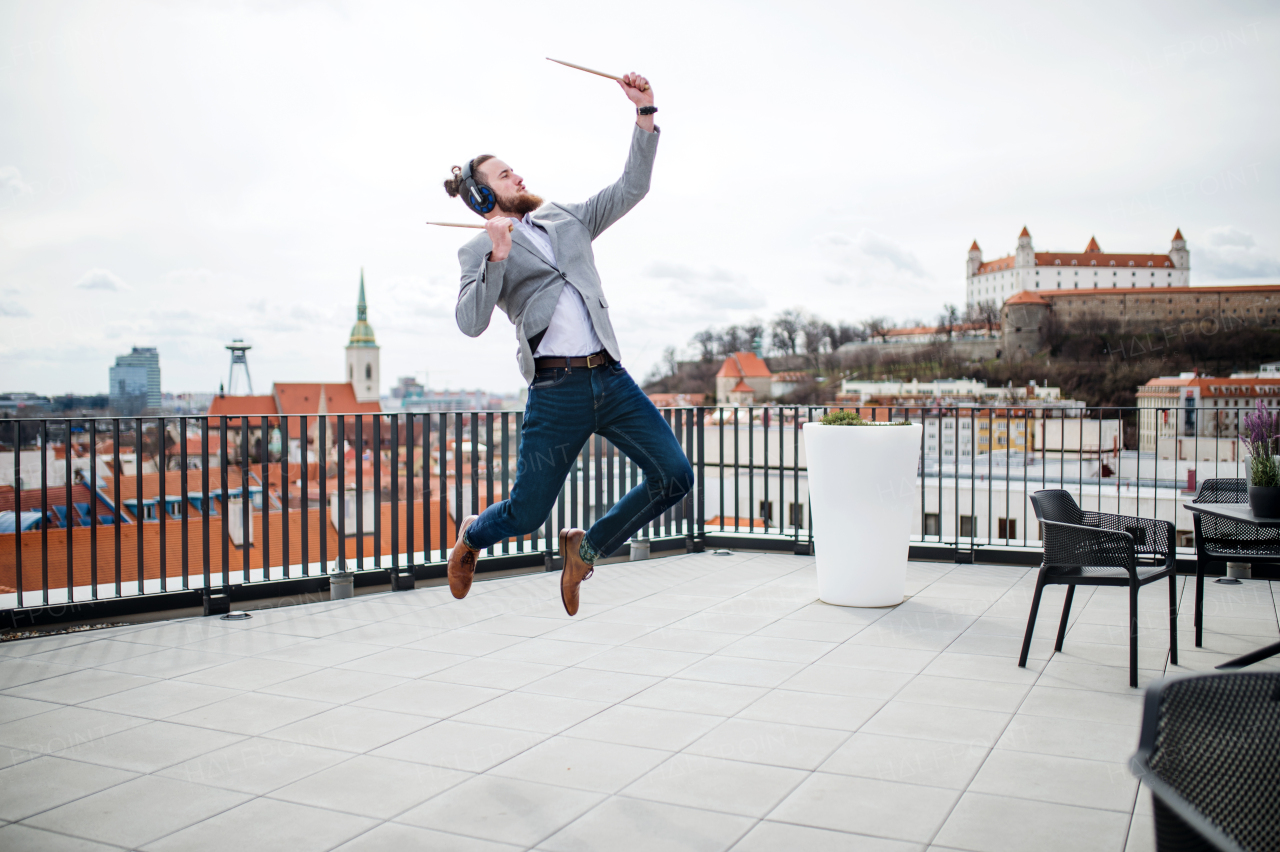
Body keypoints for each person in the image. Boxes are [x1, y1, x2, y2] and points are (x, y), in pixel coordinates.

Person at [442, 71, 691, 616]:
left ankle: (589, 549)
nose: (519, 175)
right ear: (485, 193)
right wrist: (497, 256)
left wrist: (644, 112)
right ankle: (471, 538)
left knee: (675, 475)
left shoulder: (567, 217)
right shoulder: (478, 252)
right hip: (556, 393)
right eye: (506, 175)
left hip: (612, 377)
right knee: (528, 513)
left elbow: (632, 187)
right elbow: (469, 321)